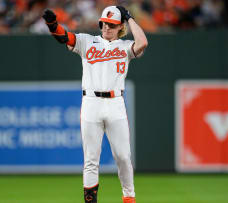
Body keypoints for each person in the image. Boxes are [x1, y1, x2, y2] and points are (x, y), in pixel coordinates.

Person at [43, 5, 148, 203]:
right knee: (91, 160)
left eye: (112, 24)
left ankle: (129, 197)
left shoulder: (125, 46)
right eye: (104, 23)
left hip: (115, 103)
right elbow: (64, 36)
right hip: (91, 102)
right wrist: (52, 24)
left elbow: (142, 42)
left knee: (123, 157)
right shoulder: (87, 41)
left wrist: (130, 18)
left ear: (120, 27)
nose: (106, 27)